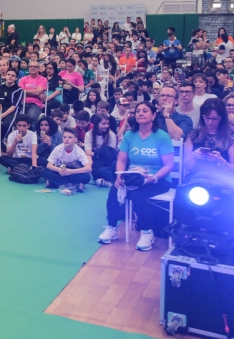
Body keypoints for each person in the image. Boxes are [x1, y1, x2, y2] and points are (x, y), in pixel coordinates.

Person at [98, 101, 174, 252]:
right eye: (138, 111)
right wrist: (119, 176)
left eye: (145, 111)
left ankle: (147, 232)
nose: (140, 113)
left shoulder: (162, 136)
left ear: (153, 115)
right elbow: (121, 159)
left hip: (158, 179)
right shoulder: (130, 135)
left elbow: (168, 165)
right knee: (114, 191)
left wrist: (152, 178)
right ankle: (112, 228)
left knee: (139, 196)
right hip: (133, 176)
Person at [184, 98, 234, 175]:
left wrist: (221, 161)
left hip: (221, 180)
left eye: (215, 119)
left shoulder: (230, 139)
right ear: (202, 116)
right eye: (207, 118)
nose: (210, 122)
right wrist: (193, 156)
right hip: (197, 178)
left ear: (222, 118)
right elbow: (187, 166)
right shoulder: (193, 136)